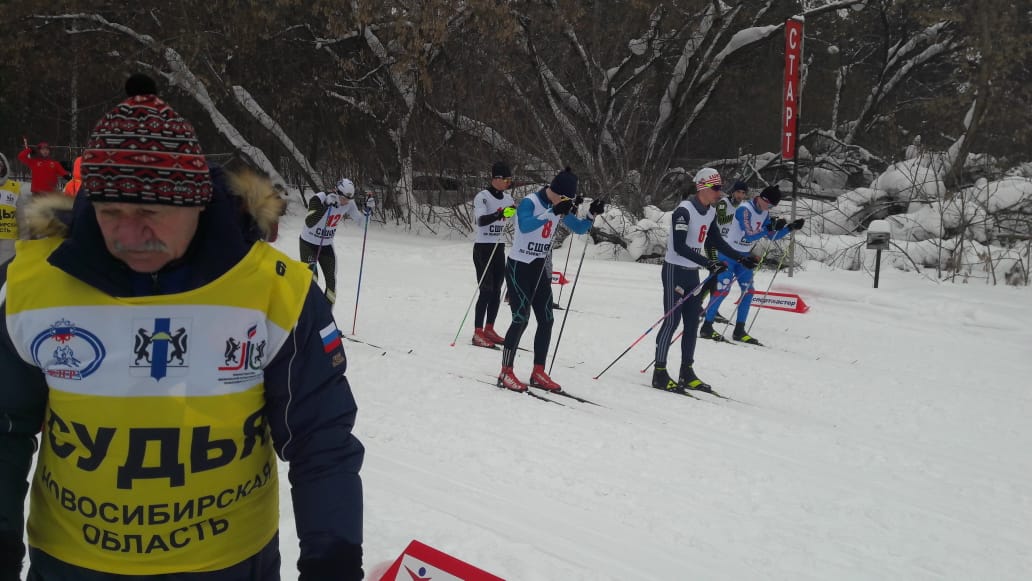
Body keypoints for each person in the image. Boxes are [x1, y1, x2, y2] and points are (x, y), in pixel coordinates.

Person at [0, 81, 364, 580]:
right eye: (110, 213)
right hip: (74, 564)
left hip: (231, 564)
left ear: (196, 202)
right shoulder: (33, 283)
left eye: (151, 213)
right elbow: (5, 429)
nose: (130, 235)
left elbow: (320, 440)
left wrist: (333, 564)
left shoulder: (276, 291)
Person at [497, 167, 605, 392]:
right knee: (520, 319)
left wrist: (591, 215)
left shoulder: (560, 205)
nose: (566, 202)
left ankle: (538, 371)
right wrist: (552, 213)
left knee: (546, 320)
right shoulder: (530, 202)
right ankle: (505, 371)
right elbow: (525, 226)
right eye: (565, 197)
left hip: (538, 269)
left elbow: (580, 228)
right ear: (554, 191)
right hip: (519, 267)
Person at [651, 168, 757, 394]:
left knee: (691, 323)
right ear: (702, 187)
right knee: (672, 322)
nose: (719, 194)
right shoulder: (684, 211)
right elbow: (679, 246)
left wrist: (742, 258)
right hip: (674, 271)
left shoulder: (709, 213)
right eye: (716, 189)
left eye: (720, 189)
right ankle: (659, 372)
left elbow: (717, 241)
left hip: (692, 274)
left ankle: (686, 371)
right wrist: (708, 263)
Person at [700, 185, 803, 345]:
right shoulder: (744, 210)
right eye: (769, 204)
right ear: (762, 198)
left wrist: (789, 228)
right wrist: (766, 228)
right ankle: (707, 327)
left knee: (749, 291)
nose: (769, 208)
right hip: (728, 253)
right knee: (723, 289)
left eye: (772, 206)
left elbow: (771, 236)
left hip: (744, 257)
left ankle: (739, 330)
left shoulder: (765, 213)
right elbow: (749, 234)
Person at [299, 178, 373, 304]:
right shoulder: (320, 198)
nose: (345, 202)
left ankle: (326, 317)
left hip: (326, 245)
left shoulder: (349, 203)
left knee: (331, 283)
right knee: (312, 279)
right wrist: (326, 205)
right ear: (336, 191)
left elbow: (363, 224)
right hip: (309, 243)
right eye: (343, 198)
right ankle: (306, 312)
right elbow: (309, 222)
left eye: (348, 199)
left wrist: (368, 212)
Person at [471, 161, 516, 348]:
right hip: (483, 247)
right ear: (495, 179)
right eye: (505, 179)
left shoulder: (508, 199)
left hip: (498, 247)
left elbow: (512, 213)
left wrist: (508, 212)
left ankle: (490, 327)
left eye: (509, 179)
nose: (508, 182)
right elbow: (481, 221)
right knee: (486, 289)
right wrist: (499, 215)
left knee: (497, 289)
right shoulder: (482, 197)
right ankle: (478, 332)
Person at [699, 180, 749, 320]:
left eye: (743, 193)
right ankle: (699, 303)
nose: (740, 195)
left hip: (726, 246)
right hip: (713, 243)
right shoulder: (723, 203)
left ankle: (711, 307)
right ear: (733, 192)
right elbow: (721, 220)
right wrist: (738, 216)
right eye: (738, 192)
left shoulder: (744, 207)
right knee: (715, 273)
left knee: (718, 276)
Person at [0, 152, 25, 265]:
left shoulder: (13, 187)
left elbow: (21, 217)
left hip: (9, 240)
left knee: (5, 273)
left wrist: (24, 239)